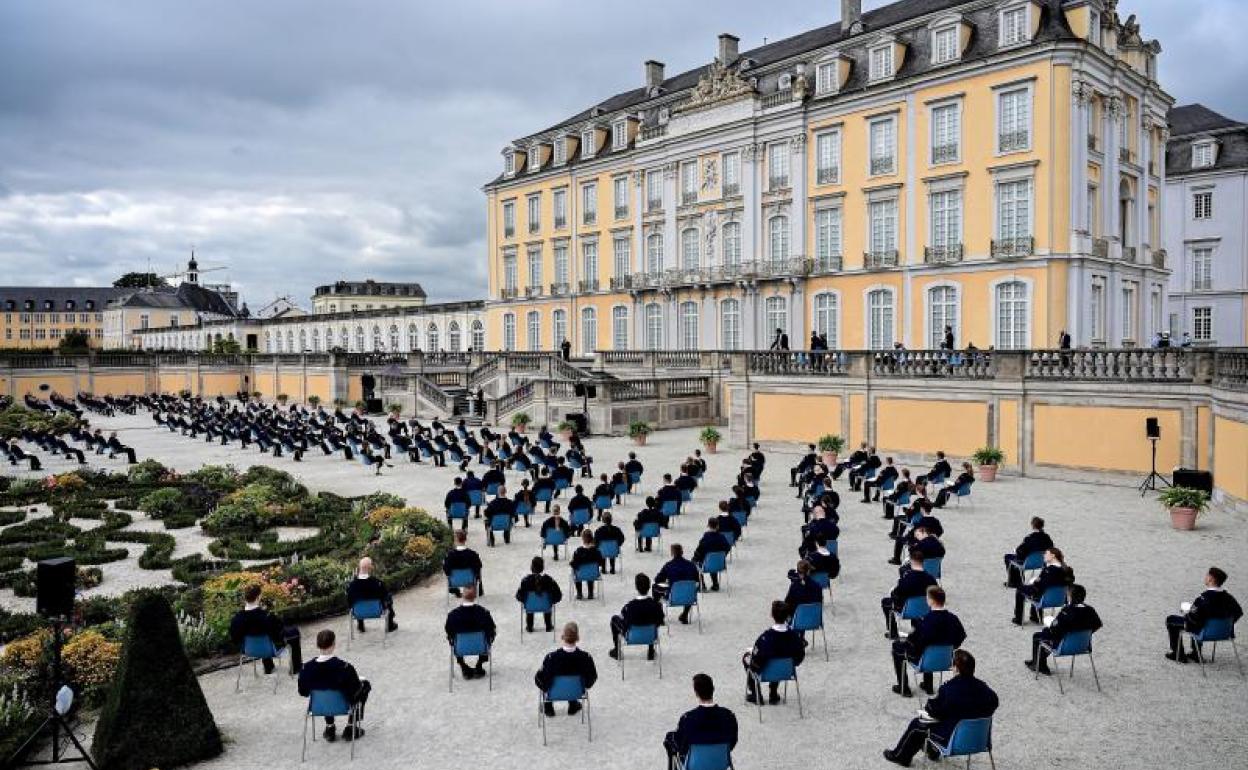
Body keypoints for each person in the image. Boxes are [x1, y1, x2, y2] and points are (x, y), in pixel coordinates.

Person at [883, 650, 997, 767]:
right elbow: (994, 703)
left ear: (956, 669)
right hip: (980, 740)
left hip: (953, 740)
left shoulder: (949, 689)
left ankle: (901, 756)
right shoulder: (985, 688)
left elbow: (933, 710)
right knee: (929, 725)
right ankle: (931, 750)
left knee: (918, 724)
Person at [298, 629, 371, 743]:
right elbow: (355, 692)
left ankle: (330, 727)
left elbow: (303, 692)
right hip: (342, 706)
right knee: (365, 685)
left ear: (317, 645)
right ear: (333, 645)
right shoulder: (345, 668)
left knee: (324, 689)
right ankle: (351, 726)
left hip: (318, 708)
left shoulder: (305, 669)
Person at [891, 586, 966, 697]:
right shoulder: (954, 618)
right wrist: (948, 648)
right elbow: (962, 636)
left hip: (925, 661)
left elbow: (915, 643)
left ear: (931, 601)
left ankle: (904, 688)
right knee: (928, 646)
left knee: (897, 647)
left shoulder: (924, 620)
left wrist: (911, 635)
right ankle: (928, 685)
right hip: (946, 660)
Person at [1164, 566, 1244, 663]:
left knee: (1171, 620)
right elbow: (1239, 612)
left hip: (1204, 632)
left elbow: (1194, 618)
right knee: (1200, 621)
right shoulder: (1228, 597)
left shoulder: (1203, 598)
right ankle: (1196, 654)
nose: (1205, 577)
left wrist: (1187, 612)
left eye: (1207, 575)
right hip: (1225, 633)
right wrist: (1226, 624)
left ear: (1211, 578)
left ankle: (1178, 654)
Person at [663, 674, 738, 770]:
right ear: (713, 689)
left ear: (696, 693)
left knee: (670, 740)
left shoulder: (688, 719)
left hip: (694, 765)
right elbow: (732, 742)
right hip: (721, 762)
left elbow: (681, 745)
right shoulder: (729, 716)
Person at [1025, 583, 1102, 675]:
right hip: (1083, 646)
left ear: (1071, 597)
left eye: (1068, 594)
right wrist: (1084, 634)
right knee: (1047, 636)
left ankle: (1038, 665)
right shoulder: (1090, 610)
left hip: (1064, 647)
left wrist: (1046, 630)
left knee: (1038, 636)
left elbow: (1054, 631)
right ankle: (1037, 662)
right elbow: (1098, 625)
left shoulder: (1067, 611)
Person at [742, 600, 806, 705]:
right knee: (780, 656)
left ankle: (756, 694)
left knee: (746, 657)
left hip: (766, 672)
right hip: (787, 671)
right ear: (787, 616)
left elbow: (756, 662)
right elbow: (800, 656)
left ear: (772, 615)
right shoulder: (795, 636)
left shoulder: (765, 638)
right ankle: (773, 692)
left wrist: (752, 653)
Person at [535, 622, 598, 717]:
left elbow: (542, 680)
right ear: (577, 638)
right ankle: (573, 705)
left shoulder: (551, 658)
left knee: (543, 676)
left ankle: (548, 707)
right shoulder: (586, 658)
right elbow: (592, 678)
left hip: (553, 694)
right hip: (577, 692)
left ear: (562, 637)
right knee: (573, 676)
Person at [229, 583, 286, 674]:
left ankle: (269, 667)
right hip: (270, 650)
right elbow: (279, 632)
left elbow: (234, 638)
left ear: (245, 598)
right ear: (259, 597)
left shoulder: (237, 618)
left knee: (260, 636)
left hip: (248, 651)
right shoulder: (267, 616)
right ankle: (297, 667)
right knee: (293, 633)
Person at [883, 550, 939, 639]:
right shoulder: (931, 579)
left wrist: (892, 591)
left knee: (886, 601)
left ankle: (893, 632)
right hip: (926, 610)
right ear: (923, 561)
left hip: (907, 611)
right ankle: (917, 629)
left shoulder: (906, 579)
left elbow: (896, 594)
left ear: (911, 561)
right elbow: (936, 594)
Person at [444, 585, 496, 681]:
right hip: (481, 647)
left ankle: (463, 666)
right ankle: (479, 665)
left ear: (463, 595)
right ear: (475, 595)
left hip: (460, 648)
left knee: (453, 639)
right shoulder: (483, 613)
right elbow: (492, 630)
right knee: (488, 636)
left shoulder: (452, 615)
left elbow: (449, 632)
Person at [609, 573, 666, 660]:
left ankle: (617, 651)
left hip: (631, 637)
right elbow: (661, 619)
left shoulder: (630, 606)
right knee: (651, 621)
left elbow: (623, 616)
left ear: (636, 587)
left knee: (614, 619)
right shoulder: (656, 605)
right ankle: (651, 651)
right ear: (649, 587)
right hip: (651, 636)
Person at [1012, 548, 1073, 625]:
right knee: (1034, 588)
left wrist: (1036, 581)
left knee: (1021, 589)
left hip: (1044, 598)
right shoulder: (1066, 569)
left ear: (1053, 556)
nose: (1043, 555)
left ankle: (1019, 619)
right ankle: (1035, 616)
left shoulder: (1049, 570)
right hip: (1061, 599)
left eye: (1046, 554)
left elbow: (1040, 586)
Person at [346, 557, 398, 633]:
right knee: (388, 597)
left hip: (358, 613)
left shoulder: (351, 585)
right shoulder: (377, 583)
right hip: (376, 611)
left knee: (356, 600)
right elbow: (385, 595)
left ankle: (360, 625)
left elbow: (349, 601)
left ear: (359, 568)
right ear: (370, 568)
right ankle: (390, 624)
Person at [654, 544, 700, 624]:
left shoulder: (669, 566)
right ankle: (685, 614)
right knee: (689, 587)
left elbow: (658, 579)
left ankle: (660, 617)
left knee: (655, 588)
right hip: (690, 597)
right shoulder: (691, 565)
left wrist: (667, 582)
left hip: (673, 597)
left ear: (672, 553)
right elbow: (697, 581)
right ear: (682, 552)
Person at [516, 556, 564, 633]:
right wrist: (551, 601)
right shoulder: (548, 580)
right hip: (546, 606)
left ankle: (529, 626)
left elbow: (519, 596)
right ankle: (548, 625)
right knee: (547, 602)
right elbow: (558, 594)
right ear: (543, 567)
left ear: (531, 567)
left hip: (530, 607)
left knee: (530, 607)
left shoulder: (526, 581)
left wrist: (525, 600)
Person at [1003, 517, 1054, 588]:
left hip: (1028, 563)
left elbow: (1020, 551)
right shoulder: (1047, 538)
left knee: (1007, 557)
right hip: (1042, 562)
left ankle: (1014, 582)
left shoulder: (1029, 538)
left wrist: (1017, 552)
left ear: (1033, 526)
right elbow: (1051, 549)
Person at [693, 518, 731, 591]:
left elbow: (700, 549)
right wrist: (722, 555)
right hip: (720, 564)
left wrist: (695, 557)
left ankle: (702, 585)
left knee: (695, 562)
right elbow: (727, 547)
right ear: (718, 526)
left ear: (708, 526)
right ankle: (715, 583)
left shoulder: (706, 537)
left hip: (707, 564)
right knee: (712, 560)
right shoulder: (722, 537)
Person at [443, 530, 484, 596]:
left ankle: (453, 589)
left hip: (454, 582)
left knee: (448, 570)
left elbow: (446, 570)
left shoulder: (450, 555)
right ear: (465, 539)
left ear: (455, 540)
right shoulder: (473, 554)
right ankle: (479, 590)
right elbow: (478, 568)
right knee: (478, 569)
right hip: (470, 580)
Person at [569, 530, 606, 600]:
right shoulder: (597, 551)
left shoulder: (579, 551)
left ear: (583, 539)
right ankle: (591, 593)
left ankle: (579, 593)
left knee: (576, 570)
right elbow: (601, 563)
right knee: (590, 569)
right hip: (593, 574)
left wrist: (572, 563)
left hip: (580, 575)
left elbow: (574, 563)